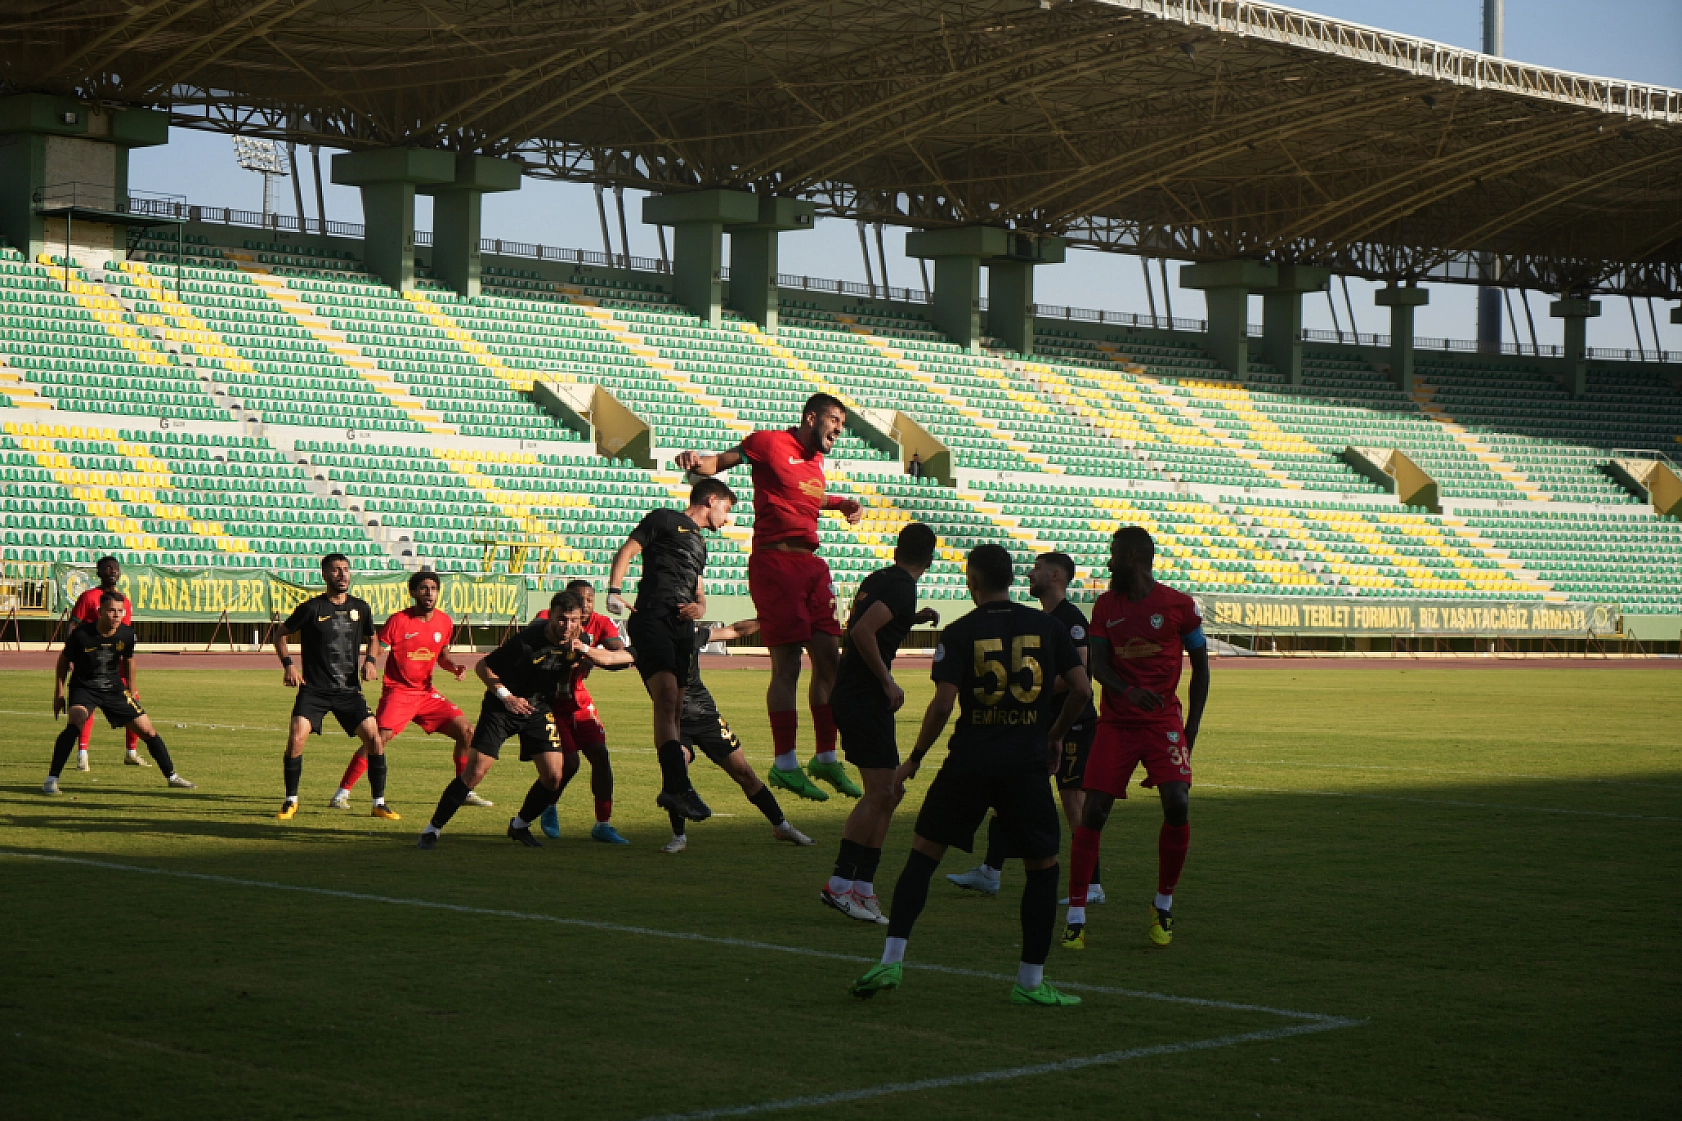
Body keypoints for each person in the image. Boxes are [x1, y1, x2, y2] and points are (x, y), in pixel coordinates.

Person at [850, 545, 1090, 1006]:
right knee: (1042, 869)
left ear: (972, 581)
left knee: (923, 857)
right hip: (1025, 764)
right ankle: (1030, 982)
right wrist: (1055, 736)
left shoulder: (960, 631)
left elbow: (943, 704)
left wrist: (915, 758)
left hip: (969, 761)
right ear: (1012, 579)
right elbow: (1081, 689)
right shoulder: (1048, 627)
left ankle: (891, 959)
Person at [674, 393, 865, 804]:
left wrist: (842, 503)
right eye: (835, 420)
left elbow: (808, 497)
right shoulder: (768, 442)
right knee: (788, 665)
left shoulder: (816, 461)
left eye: (842, 424)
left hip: (812, 566)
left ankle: (826, 757)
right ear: (811, 417)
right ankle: (785, 763)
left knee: (830, 660)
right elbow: (718, 463)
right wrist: (695, 461)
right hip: (775, 564)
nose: (839, 429)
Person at [1061, 526, 1210, 951]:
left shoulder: (1179, 605)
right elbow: (1098, 665)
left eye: (1113, 554)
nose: (1108, 562)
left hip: (1163, 723)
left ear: (1132, 557)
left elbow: (1201, 666)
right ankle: (1076, 916)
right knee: (1094, 813)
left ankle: (1163, 906)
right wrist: (1127, 692)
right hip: (1116, 724)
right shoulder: (1106, 606)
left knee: (1178, 803)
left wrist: (1191, 728)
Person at [948, 551, 1105, 904]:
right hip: (1041, 725)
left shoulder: (1071, 619)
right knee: (1009, 791)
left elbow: (1080, 673)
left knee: (1073, 803)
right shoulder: (1041, 620)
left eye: (1037, 569)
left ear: (1055, 576)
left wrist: (1031, 690)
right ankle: (990, 872)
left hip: (1072, 725)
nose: (1030, 574)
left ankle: (1092, 885)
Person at [417, 590, 630, 850]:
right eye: (562, 619)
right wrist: (506, 697)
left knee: (554, 776)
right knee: (475, 772)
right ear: (551, 616)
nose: (567, 626)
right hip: (502, 708)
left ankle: (519, 825)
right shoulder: (527, 641)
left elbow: (601, 661)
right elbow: (484, 666)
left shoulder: (579, 641)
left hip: (538, 710)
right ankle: (433, 829)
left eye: (573, 620)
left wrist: (575, 672)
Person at [821, 523, 941, 924]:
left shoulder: (881, 579)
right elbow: (862, 631)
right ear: (930, 559)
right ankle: (840, 885)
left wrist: (912, 617)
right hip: (863, 697)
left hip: (858, 696)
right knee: (880, 793)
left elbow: (873, 621)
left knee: (890, 793)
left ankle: (863, 886)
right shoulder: (902, 586)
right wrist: (887, 680)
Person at [606, 479, 736, 826]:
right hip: (653, 618)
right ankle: (678, 785)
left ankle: (673, 787)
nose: (727, 518)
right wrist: (614, 590)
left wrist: (699, 607)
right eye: (726, 509)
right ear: (711, 500)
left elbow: (699, 591)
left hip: (681, 628)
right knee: (666, 699)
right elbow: (628, 550)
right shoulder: (664, 518)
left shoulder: (701, 544)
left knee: (676, 707)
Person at [329, 570, 491, 812]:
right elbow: (379, 647)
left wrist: (453, 666)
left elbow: (442, 655)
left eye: (433, 589)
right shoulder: (399, 621)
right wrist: (370, 662)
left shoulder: (444, 622)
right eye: (424, 588)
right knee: (378, 739)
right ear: (413, 593)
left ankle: (464, 790)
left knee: (467, 732)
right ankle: (341, 793)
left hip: (426, 694)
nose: (429, 593)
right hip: (399, 692)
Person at [657, 618, 815, 855]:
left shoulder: (693, 634)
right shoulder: (651, 644)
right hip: (674, 722)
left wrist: (767, 617)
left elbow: (734, 631)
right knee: (677, 771)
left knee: (745, 774)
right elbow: (613, 657)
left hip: (707, 718)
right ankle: (678, 836)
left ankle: (782, 826)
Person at [44, 591, 194, 794]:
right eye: (111, 611)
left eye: (120, 611)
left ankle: (172, 777)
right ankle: (51, 779)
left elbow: (129, 661)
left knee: (148, 730)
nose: (116, 615)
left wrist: (132, 689)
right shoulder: (81, 635)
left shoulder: (127, 634)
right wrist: (59, 694)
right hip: (85, 687)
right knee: (75, 724)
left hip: (114, 688)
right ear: (100, 612)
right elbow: (63, 661)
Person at [274, 553, 382, 821]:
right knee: (296, 738)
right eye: (336, 570)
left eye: (346, 569)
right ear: (324, 575)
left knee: (374, 739)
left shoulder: (361, 608)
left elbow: (374, 637)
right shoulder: (312, 608)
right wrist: (289, 665)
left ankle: (378, 803)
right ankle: (291, 800)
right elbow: (280, 635)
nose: (342, 575)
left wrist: (370, 661)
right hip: (314, 690)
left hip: (348, 690)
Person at [537, 579, 631, 844]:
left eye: (590, 600)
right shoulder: (549, 618)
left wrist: (591, 652)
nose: (586, 605)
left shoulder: (600, 623)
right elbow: (534, 635)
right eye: (581, 600)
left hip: (578, 700)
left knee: (600, 756)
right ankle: (548, 805)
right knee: (570, 763)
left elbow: (619, 653)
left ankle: (603, 824)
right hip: (549, 702)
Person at [66, 556, 144, 771]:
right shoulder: (89, 597)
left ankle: (131, 752)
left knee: (133, 700)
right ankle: (82, 753)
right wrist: (71, 655)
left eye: (116, 568)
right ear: (99, 572)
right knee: (86, 708)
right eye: (108, 568)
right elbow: (73, 625)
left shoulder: (123, 601)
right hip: (91, 661)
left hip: (115, 663)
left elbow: (124, 635)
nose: (113, 571)